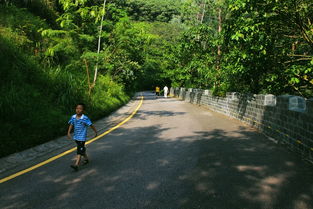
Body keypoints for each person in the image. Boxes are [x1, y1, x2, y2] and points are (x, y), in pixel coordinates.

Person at [67, 103, 97, 171]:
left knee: (79, 150)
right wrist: (68, 132)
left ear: (83, 110)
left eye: (80, 109)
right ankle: (86, 159)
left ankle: (76, 165)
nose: (78, 110)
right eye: (77, 108)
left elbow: (91, 125)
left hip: (82, 137)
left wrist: (95, 131)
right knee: (81, 149)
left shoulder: (85, 118)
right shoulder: (73, 117)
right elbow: (71, 124)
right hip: (76, 137)